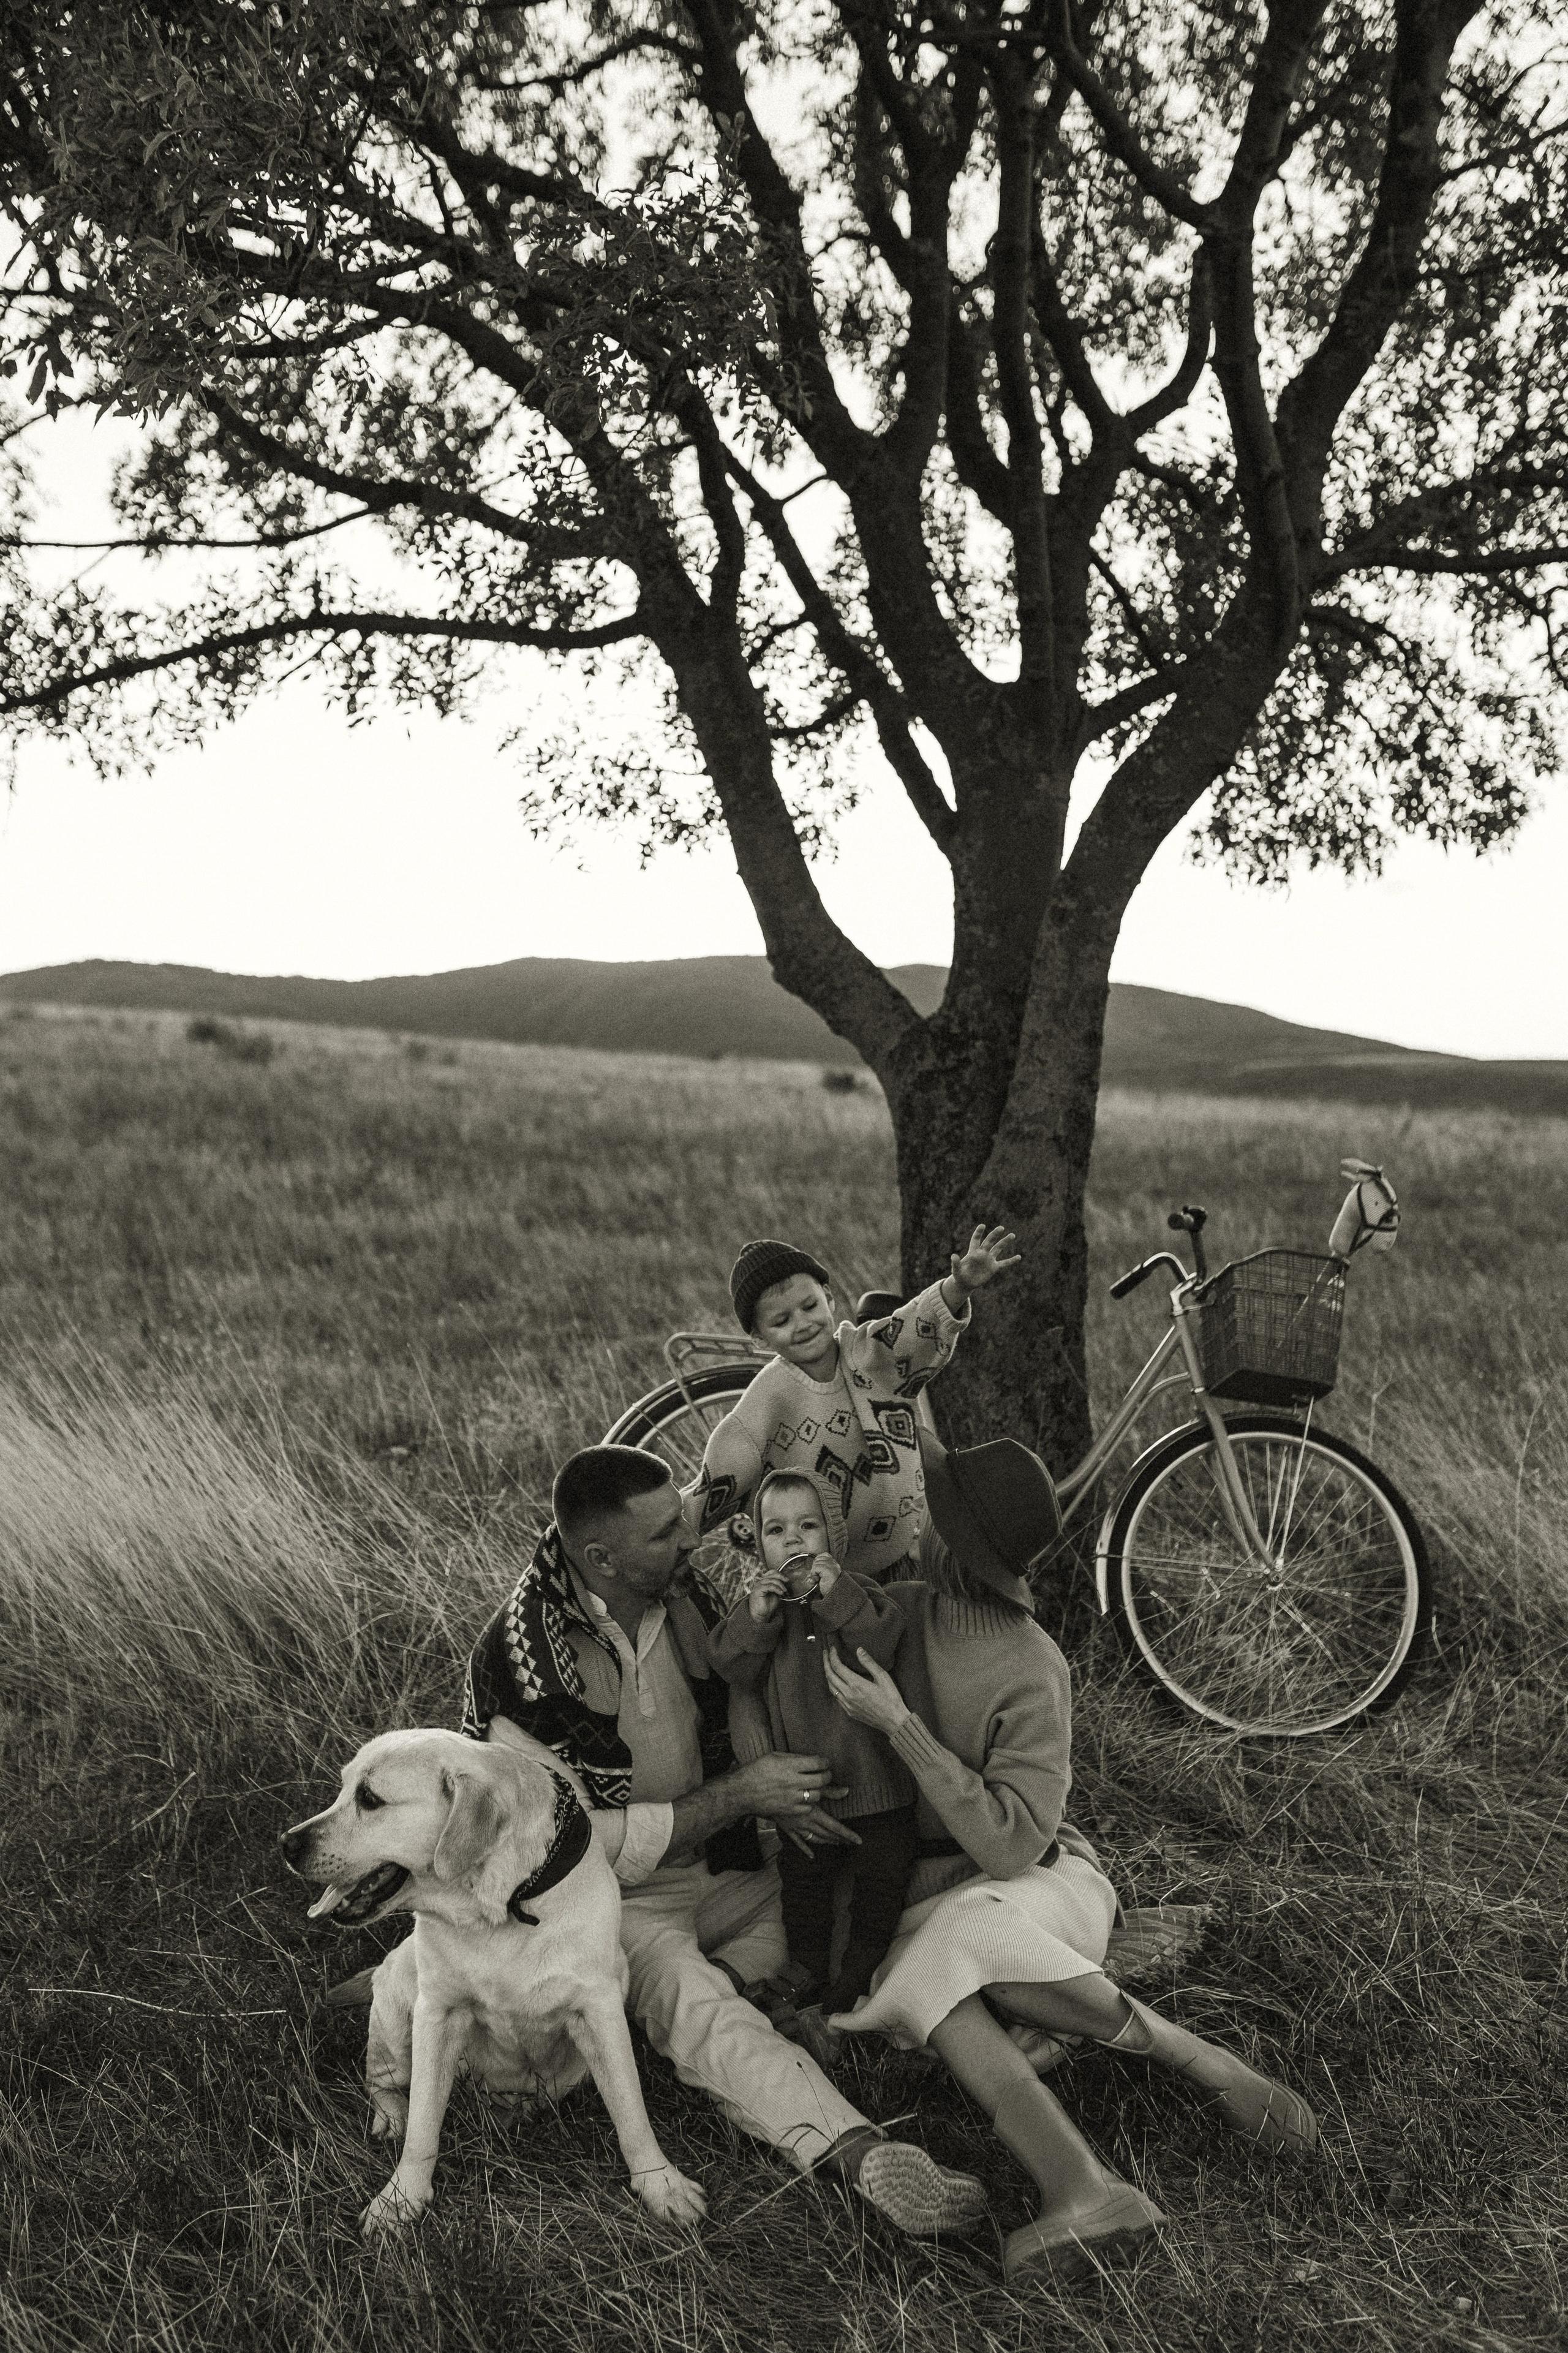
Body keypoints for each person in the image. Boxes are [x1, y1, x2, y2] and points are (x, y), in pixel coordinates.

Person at [817, 1428, 1320, 2286]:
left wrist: (901, 1727)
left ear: (959, 1545)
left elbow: (1012, 1845)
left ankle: (1180, 2070)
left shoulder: (1030, 1665)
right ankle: (1086, 2180)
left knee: (959, 1945)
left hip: (1043, 1883)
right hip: (940, 1902)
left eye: (931, 1516)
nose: (916, 1522)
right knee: (947, 1976)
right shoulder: (904, 1609)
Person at [460, 1443, 988, 2238]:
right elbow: (557, 1850)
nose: (692, 1538)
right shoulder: (521, 1662)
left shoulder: (685, 1592)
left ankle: (1048, 1969)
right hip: (607, 1900)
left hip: (730, 1861)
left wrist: (780, 1800)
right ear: (602, 1556)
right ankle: (858, 2151)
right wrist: (744, 1794)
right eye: (667, 1531)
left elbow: (739, 1689)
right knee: (690, 1997)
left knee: (866, 1890)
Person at [706, 1468, 918, 2055]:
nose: (794, 1541)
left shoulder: (857, 1594)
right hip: (806, 1797)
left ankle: (856, 1982)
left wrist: (837, 1596)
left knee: (880, 1893)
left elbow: (884, 1642)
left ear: (834, 1538)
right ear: (758, 1543)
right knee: (804, 1890)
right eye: (776, 1530)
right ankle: (806, 1969)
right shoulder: (767, 1617)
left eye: (808, 1526)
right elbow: (729, 1664)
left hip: (880, 1790)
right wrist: (757, 1614)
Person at [688, 1224, 1020, 1584]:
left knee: (918, 1629)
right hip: (824, 1575)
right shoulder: (769, 1400)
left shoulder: (868, 1352)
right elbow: (721, 1471)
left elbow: (913, 1327)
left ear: (829, 1297)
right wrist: (668, 1524)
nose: (802, 1324)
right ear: (758, 1338)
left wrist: (960, 1287)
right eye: (782, 1321)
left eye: (809, 1306)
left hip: (909, 1551)